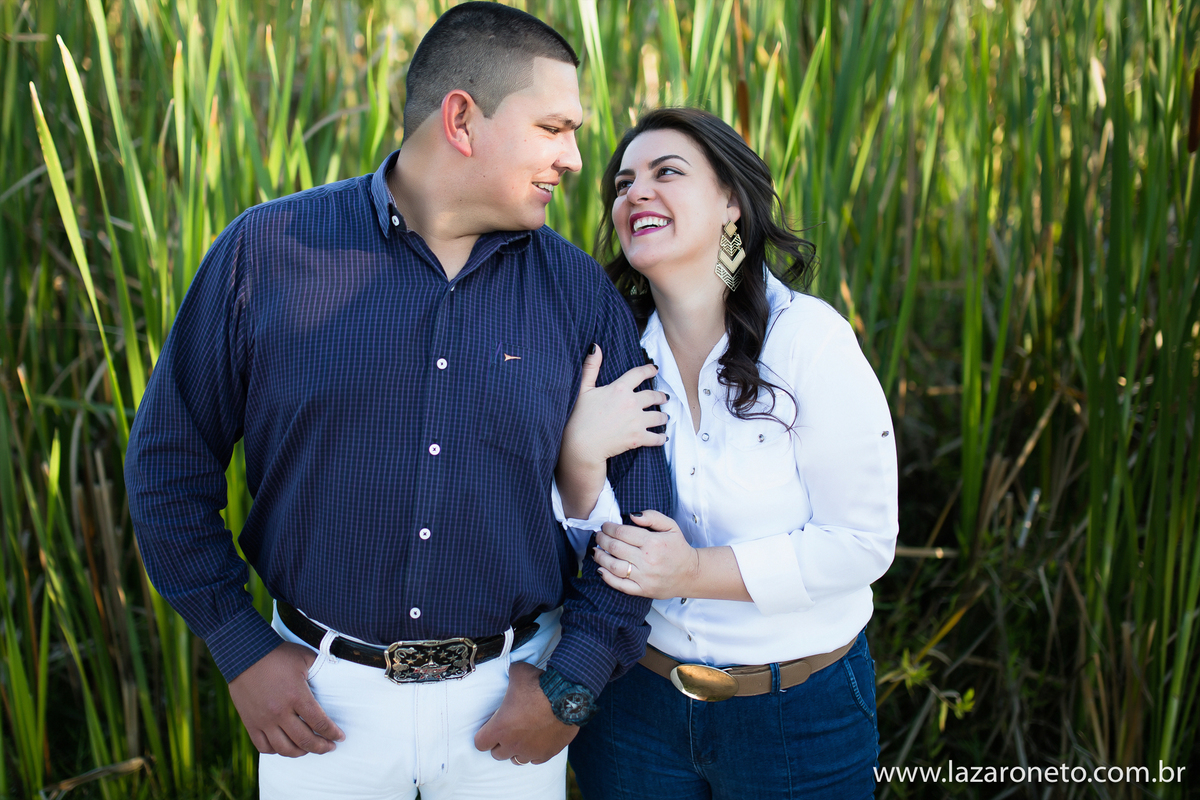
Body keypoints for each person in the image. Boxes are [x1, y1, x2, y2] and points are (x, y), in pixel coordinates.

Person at [123, 5, 671, 799]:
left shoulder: (576, 290)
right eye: (554, 127)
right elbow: (169, 468)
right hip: (318, 709)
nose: (576, 158)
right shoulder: (265, 255)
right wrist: (238, 644)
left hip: (511, 709)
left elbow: (644, 514)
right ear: (461, 119)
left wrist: (572, 680)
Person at [555, 108, 898, 799]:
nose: (634, 193)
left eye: (666, 173)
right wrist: (580, 464)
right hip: (635, 710)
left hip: (797, 714)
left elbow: (863, 543)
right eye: (622, 184)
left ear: (732, 203)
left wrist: (692, 569)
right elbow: (583, 554)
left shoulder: (808, 341)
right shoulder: (608, 354)